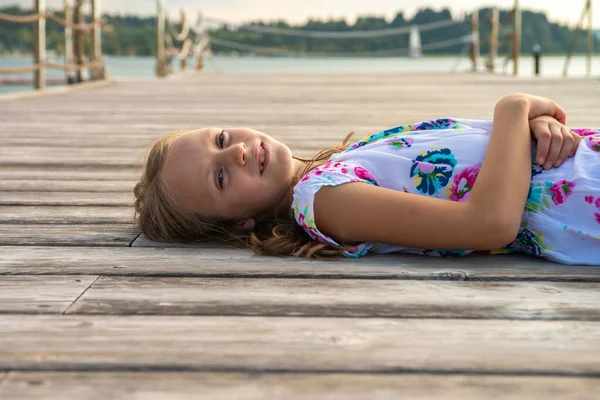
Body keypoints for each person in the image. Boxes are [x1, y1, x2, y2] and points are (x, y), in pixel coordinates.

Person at [134, 93, 600, 265]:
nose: (234, 151)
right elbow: (489, 223)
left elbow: (481, 157)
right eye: (220, 177)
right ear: (237, 225)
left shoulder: (343, 163)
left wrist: (537, 130)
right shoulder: (323, 200)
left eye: (219, 138)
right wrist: (514, 109)